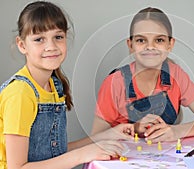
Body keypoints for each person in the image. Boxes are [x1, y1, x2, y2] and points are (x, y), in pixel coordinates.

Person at [0, 1, 134, 169]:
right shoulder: (20, 94)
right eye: (39, 39)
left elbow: (53, 151)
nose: (51, 46)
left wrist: (106, 135)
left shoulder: (53, 85)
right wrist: (82, 154)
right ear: (22, 45)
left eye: (58, 37)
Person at [91, 7, 194, 143]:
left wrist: (176, 131)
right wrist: (134, 128)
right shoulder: (115, 83)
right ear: (130, 45)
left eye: (159, 40)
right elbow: (95, 137)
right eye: (141, 40)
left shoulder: (176, 75)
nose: (150, 47)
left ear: (170, 44)